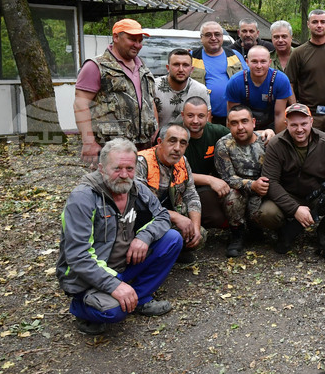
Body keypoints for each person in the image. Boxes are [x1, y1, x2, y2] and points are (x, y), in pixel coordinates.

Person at [56, 138, 181, 335]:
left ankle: (138, 298)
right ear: (101, 168)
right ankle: (81, 306)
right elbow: (77, 255)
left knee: (172, 239)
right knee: (114, 312)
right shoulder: (83, 198)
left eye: (130, 169)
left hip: (124, 264)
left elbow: (163, 216)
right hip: (90, 276)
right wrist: (114, 285)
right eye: (117, 169)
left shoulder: (137, 188)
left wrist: (144, 237)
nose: (124, 175)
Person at [258, 103, 325, 253]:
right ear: (286, 124)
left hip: (317, 193)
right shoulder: (276, 144)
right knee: (267, 213)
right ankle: (283, 232)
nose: (299, 129)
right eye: (294, 125)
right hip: (287, 195)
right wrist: (295, 209)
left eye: (304, 124)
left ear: (311, 122)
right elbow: (271, 182)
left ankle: (324, 232)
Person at [74, 18, 159, 166]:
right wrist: (88, 142)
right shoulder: (96, 66)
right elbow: (80, 103)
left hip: (144, 149)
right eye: (132, 39)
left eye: (140, 40)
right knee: (110, 187)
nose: (137, 45)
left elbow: (150, 101)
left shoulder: (142, 67)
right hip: (110, 149)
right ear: (115, 37)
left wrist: (155, 129)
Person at [214, 105, 277, 257]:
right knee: (231, 197)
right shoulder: (223, 145)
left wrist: (260, 186)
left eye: (244, 121)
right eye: (234, 123)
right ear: (228, 125)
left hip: (263, 190)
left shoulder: (266, 142)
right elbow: (227, 177)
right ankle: (237, 234)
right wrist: (252, 185)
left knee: (267, 209)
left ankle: (257, 228)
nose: (240, 127)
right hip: (239, 190)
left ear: (253, 122)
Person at [136, 124, 204, 263]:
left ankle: (172, 250)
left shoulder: (182, 161)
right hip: (141, 220)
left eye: (182, 143)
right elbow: (140, 203)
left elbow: (191, 194)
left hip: (166, 217)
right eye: (172, 141)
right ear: (160, 142)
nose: (177, 148)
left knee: (199, 235)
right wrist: (176, 217)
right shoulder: (141, 162)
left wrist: (195, 226)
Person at [285, 9, 325, 132]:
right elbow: (289, 83)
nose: (319, 25)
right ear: (308, 24)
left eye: (322, 22)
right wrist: (296, 108)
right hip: (309, 114)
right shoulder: (298, 53)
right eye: (315, 22)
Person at [180, 97, 231, 230]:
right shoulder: (175, 135)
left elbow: (243, 135)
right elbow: (174, 172)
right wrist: (209, 179)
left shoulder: (216, 131)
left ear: (208, 116)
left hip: (210, 186)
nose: (195, 121)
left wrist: (266, 132)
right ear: (182, 115)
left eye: (201, 116)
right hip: (183, 188)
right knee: (216, 218)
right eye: (190, 116)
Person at [226, 45, 293, 133]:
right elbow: (233, 116)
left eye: (263, 62)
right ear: (247, 62)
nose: (259, 66)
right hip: (244, 124)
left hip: (272, 123)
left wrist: (278, 141)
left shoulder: (281, 80)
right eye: (254, 61)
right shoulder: (235, 82)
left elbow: (279, 114)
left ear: (269, 62)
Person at [190, 21, 245, 126]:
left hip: (235, 117)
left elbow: (249, 80)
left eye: (217, 34)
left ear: (222, 37)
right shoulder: (192, 57)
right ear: (201, 38)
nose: (213, 38)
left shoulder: (235, 55)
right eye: (208, 35)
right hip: (201, 119)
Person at [154, 48, 210, 127]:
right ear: (167, 68)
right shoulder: (153, 87)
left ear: (192, 69)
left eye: (185, 65)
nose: (181, 69)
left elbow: (206, 123)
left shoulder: (201, 90)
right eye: (176, 64)